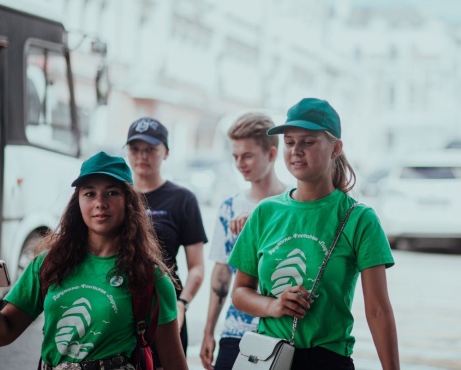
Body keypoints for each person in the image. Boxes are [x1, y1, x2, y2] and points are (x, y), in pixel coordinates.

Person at [228, 98, 400, 369]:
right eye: (289, 142)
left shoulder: (359, 219)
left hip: (328, 360)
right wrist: (273, 306)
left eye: (308, 142)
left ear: (336, 148)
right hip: (268, 358)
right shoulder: (265, 212)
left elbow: (378, 310)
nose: (296, 151)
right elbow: (240, 292)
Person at [0, 151, 188, 369]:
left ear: (128, 202)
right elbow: (6, 331)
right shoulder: (48, 264)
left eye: (112, 193)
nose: (100, 203)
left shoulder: (149, 277)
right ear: (78, 202)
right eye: (89, 193)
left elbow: (173, 361)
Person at [200, 113, 287, 369]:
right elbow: (221, 274)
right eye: (235, 156)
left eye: (247, 156)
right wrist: (208, 331)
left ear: (271, 154)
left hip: (281, 329)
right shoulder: (229, 207)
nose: (240, 163)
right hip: (235, 330)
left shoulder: (294, 205)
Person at [125, 117, 208, 363]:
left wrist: (182, 304)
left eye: (151, 149)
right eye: (135, 148)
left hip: (166, 307)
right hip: (120, 304)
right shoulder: (117, 195)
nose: (142, 155)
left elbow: (197, 267)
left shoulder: (183, 199)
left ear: (166, 152)